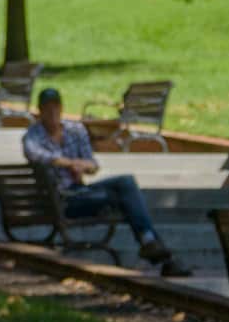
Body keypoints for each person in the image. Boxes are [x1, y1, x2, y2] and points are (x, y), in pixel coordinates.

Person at [18, 88, 188, 277]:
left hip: (82, 191)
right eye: (47, 108)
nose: (52, 113)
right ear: (40, 111)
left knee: (126, 183)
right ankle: (156, 250)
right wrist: (71, 163)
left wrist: (84, 167)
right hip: (63, 199)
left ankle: (150, 242)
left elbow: (93, 165)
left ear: (61, 107)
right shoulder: (33, 135)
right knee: (122, 199)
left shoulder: (75, 130)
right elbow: (36, 154)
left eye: (56, 107)